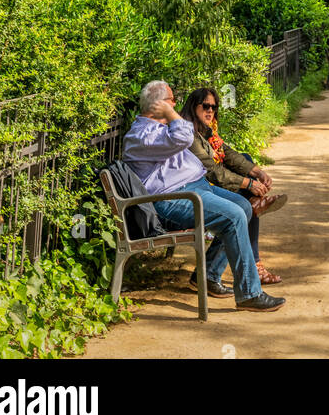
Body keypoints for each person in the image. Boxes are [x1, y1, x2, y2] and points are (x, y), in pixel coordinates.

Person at [122, 80, 285, 311]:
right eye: (171, 100)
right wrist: (169, 112)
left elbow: (212, 149)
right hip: (174, 198)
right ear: (158, 105)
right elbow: (183, 137)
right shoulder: (142, 135)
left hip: (194, 187)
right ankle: (249, 293)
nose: (175, 104)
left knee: (245, 207)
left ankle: (208, 276)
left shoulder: (158, 130)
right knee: (235, 216)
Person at [181, 87, 287, 288]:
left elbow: (226, 153)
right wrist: (248, 183)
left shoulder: (205, 130)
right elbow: (211, 170)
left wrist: (256, 171)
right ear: (193, 106)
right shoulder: (188, 134)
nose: (210, 110)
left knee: (245, 167)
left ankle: (254, 205)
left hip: (206, 186)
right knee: (244, 208)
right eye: (206, 106)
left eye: (214, 106)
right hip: (196, 192)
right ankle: (251, 265)